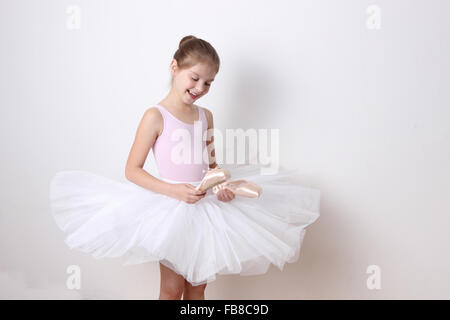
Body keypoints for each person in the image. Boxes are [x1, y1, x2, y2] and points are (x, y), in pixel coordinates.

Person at [49, 35, 321, 300]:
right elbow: (132, 169)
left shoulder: (205, 116)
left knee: (197, 290)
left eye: (209, 83)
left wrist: (222, 187)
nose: (200, 87)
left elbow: (211, 166)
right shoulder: (155, 116)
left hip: (205, 210)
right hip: (172, 210)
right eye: (195, 78)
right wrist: (173, 191)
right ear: (174, 67)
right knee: (170, 290)